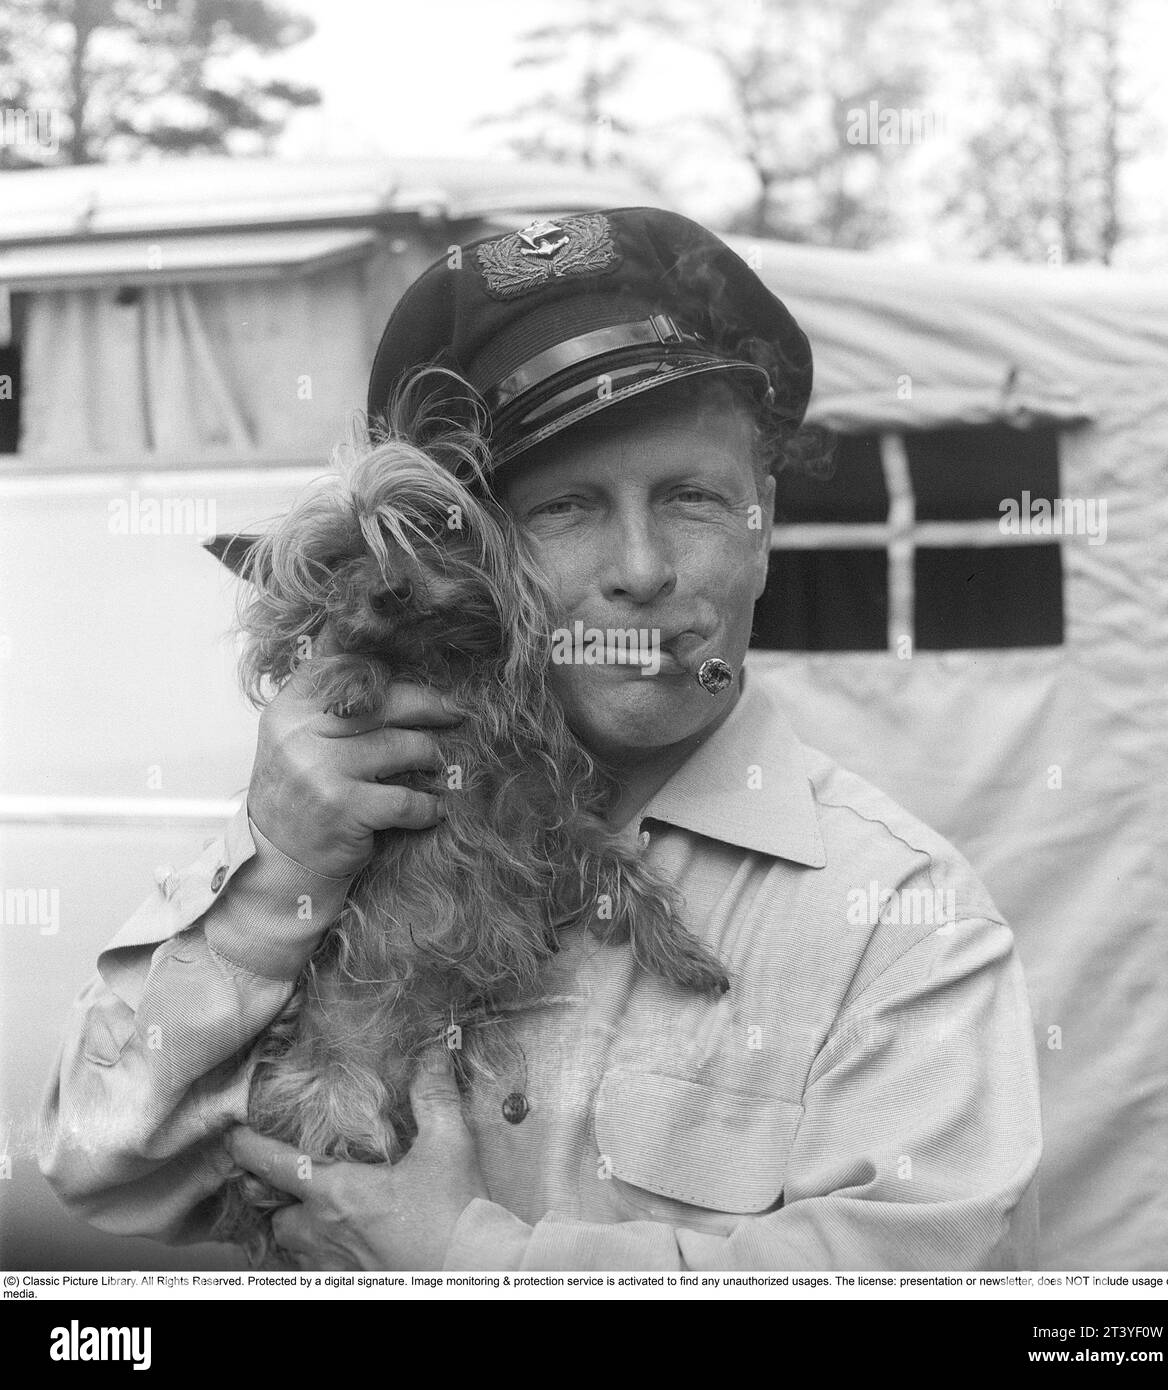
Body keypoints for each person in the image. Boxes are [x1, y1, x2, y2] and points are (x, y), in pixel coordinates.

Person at [39, 207, 1042, 1271]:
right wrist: (275, 881)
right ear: (470, 556)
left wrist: (474, 1265)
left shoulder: (899, 922)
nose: (642, 569)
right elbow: (100, 1164)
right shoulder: (345, 820)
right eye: (565, 508)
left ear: (763, 526)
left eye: (693, 498)